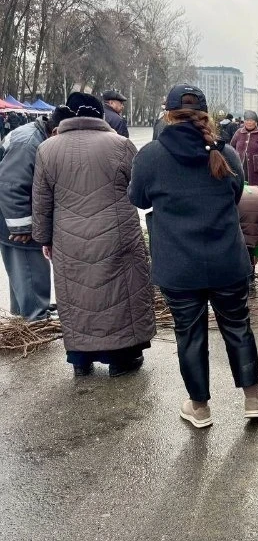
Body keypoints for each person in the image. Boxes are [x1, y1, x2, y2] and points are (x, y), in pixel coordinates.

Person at [128, 83, 258, 429]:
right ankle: (253, 399)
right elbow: (236, 193)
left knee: (189, 335)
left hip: (178, 266)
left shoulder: (151, 155)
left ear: (168, 115)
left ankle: (199, 407)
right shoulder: (225, 153)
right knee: (238, 327)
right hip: (226, 261)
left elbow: (138, 198)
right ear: (205, 115)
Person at [32, 93, 155, 377]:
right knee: (120, 295)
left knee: (76, 297)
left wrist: (44, 239)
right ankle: (121, 359)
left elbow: (41, 201)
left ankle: (80, 360)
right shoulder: (120, 145)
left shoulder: (47, 149)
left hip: (68, 238)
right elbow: (140, 192)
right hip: (116, 236)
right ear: (99, 115)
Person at [0, 112, 62, 321]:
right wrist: (22, 227)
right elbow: (12, 186)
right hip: (14, 218)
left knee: (22, 270)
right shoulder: (29, 144)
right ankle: (36, 317)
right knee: (29, 266)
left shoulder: (35, 135)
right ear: (55, 131)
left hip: (11, 215)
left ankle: (24, 313)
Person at [232, 110, 258, 189]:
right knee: (240, 185)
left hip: (255, 164)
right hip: (240, 163)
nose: (249, 122)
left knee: (254, 187)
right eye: (247, 120)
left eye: (251, 120)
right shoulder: (239, 132)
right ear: (244, 121)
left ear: (255, 122)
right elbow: (232, 145)